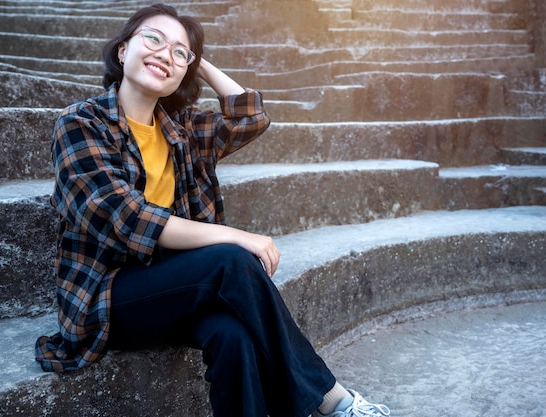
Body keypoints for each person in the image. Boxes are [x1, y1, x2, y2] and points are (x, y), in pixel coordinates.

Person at [34, 3, 390, 417]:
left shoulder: (181, 130)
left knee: (233, 336)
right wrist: (236, 235)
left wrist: (194, 61)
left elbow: (250, 116)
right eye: (153, 39)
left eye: (179, 53)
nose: (165, 54)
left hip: (177, 284)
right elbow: (129, 218)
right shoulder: (81, 123)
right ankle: (333, 401)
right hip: (110, 296)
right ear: (122, 51)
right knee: (231, 259)